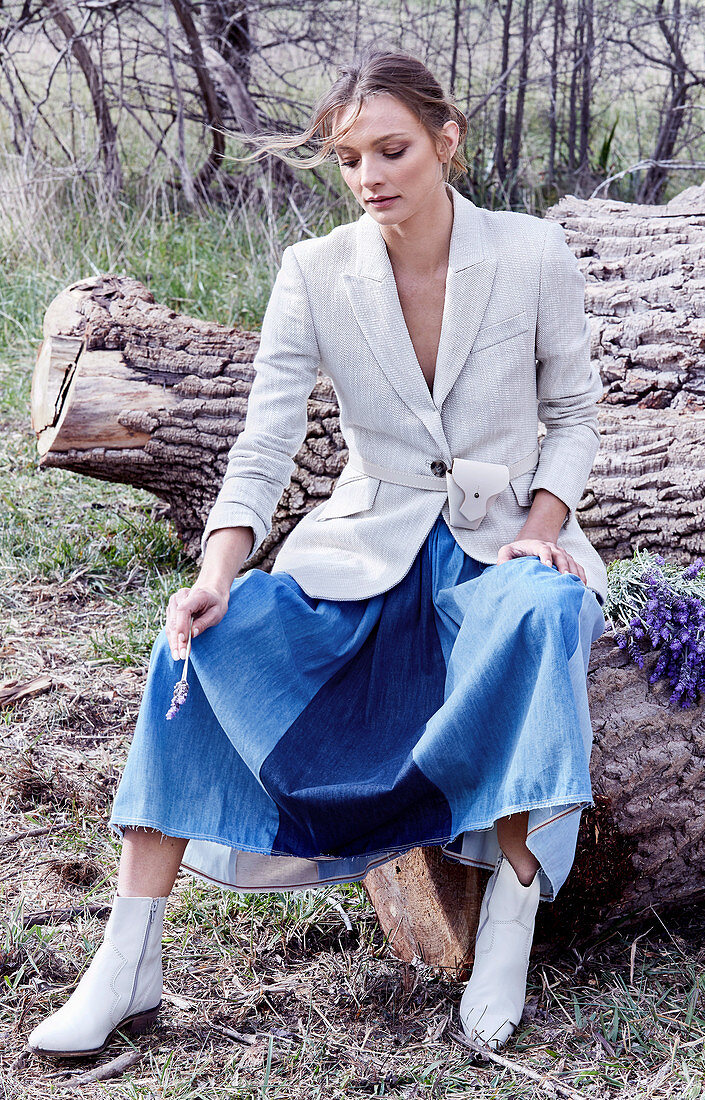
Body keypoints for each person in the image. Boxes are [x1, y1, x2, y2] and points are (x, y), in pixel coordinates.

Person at [27, 46, 607, 1061]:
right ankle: (128, 959)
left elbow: (572, 414)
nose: (371, 175)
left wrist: (543, 527)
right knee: (192, 647)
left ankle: (508, 922)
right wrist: (216, 572)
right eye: (348, 158)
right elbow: (264, 441)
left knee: (546, 613)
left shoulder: (528, 253)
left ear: (445, 140)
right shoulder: (313, 270)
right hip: (359, 547)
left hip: (502, 539)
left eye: (392, 149)